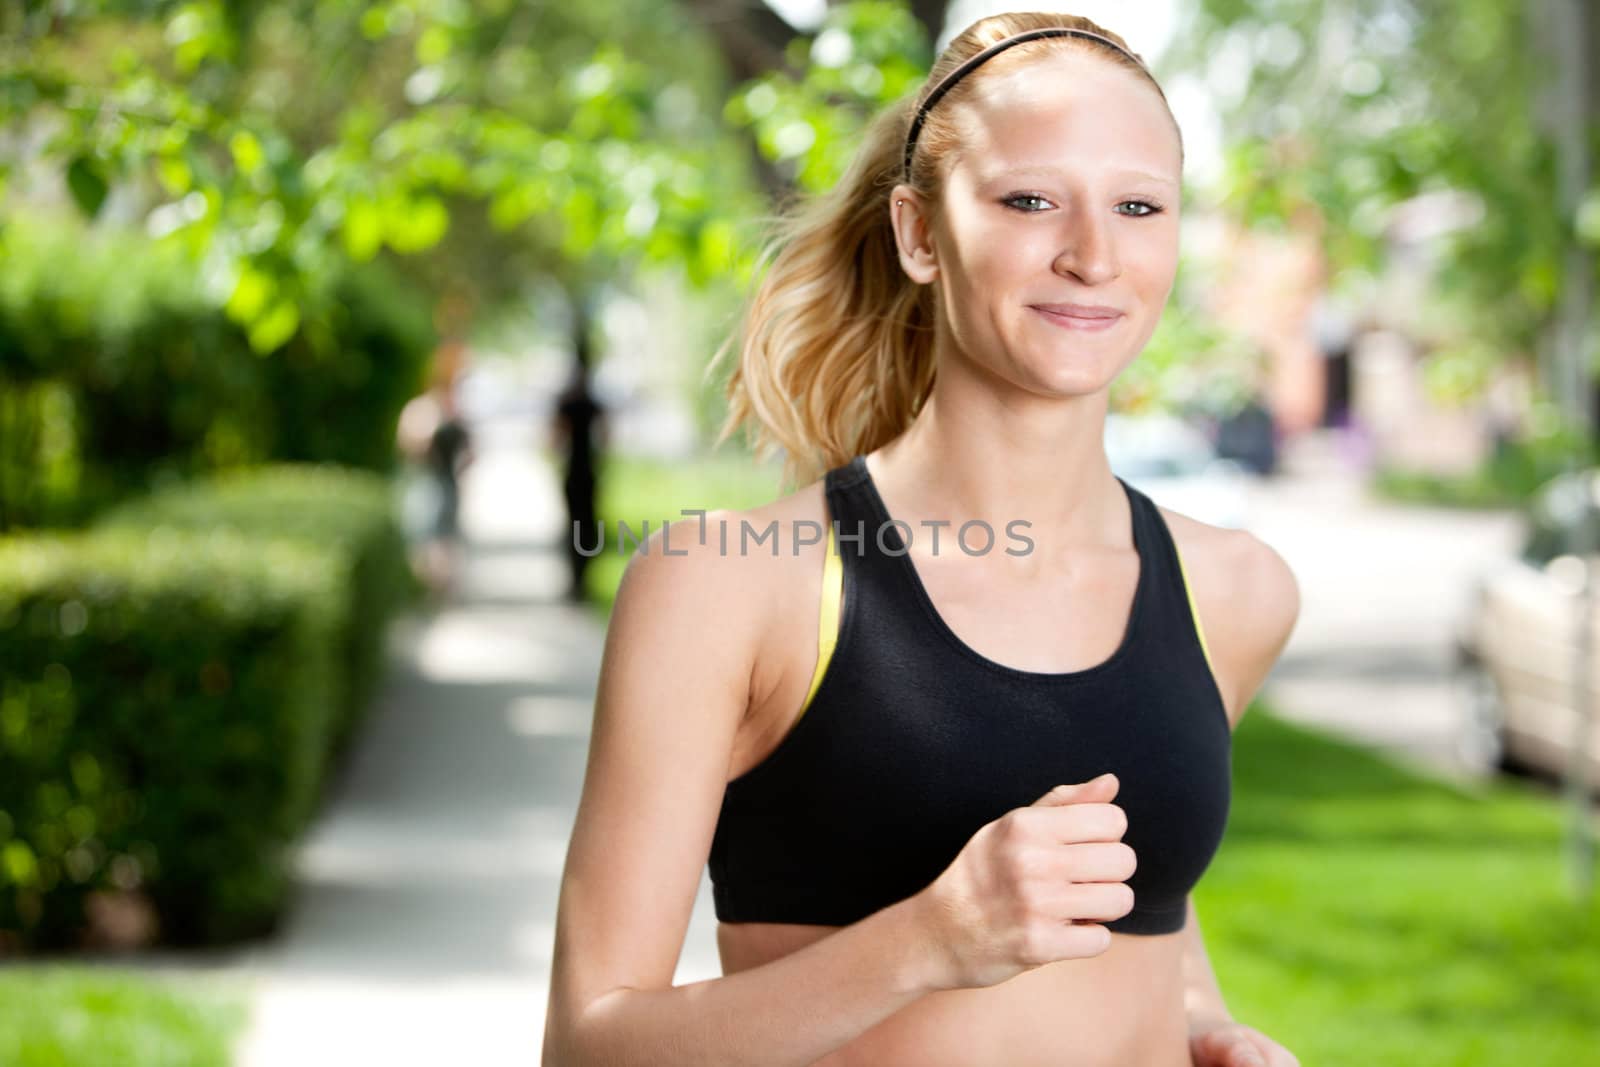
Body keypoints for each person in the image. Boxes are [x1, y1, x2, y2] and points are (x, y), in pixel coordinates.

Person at [543, 12, 1302, 1067]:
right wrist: (933, 937)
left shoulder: (1234, 589)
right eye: (1029, 200)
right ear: (917, 233)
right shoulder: (726, 587)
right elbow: (588, 1044)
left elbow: (1148, 917)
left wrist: (1205, 1027)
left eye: (1138, 206)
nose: (1092, 256)